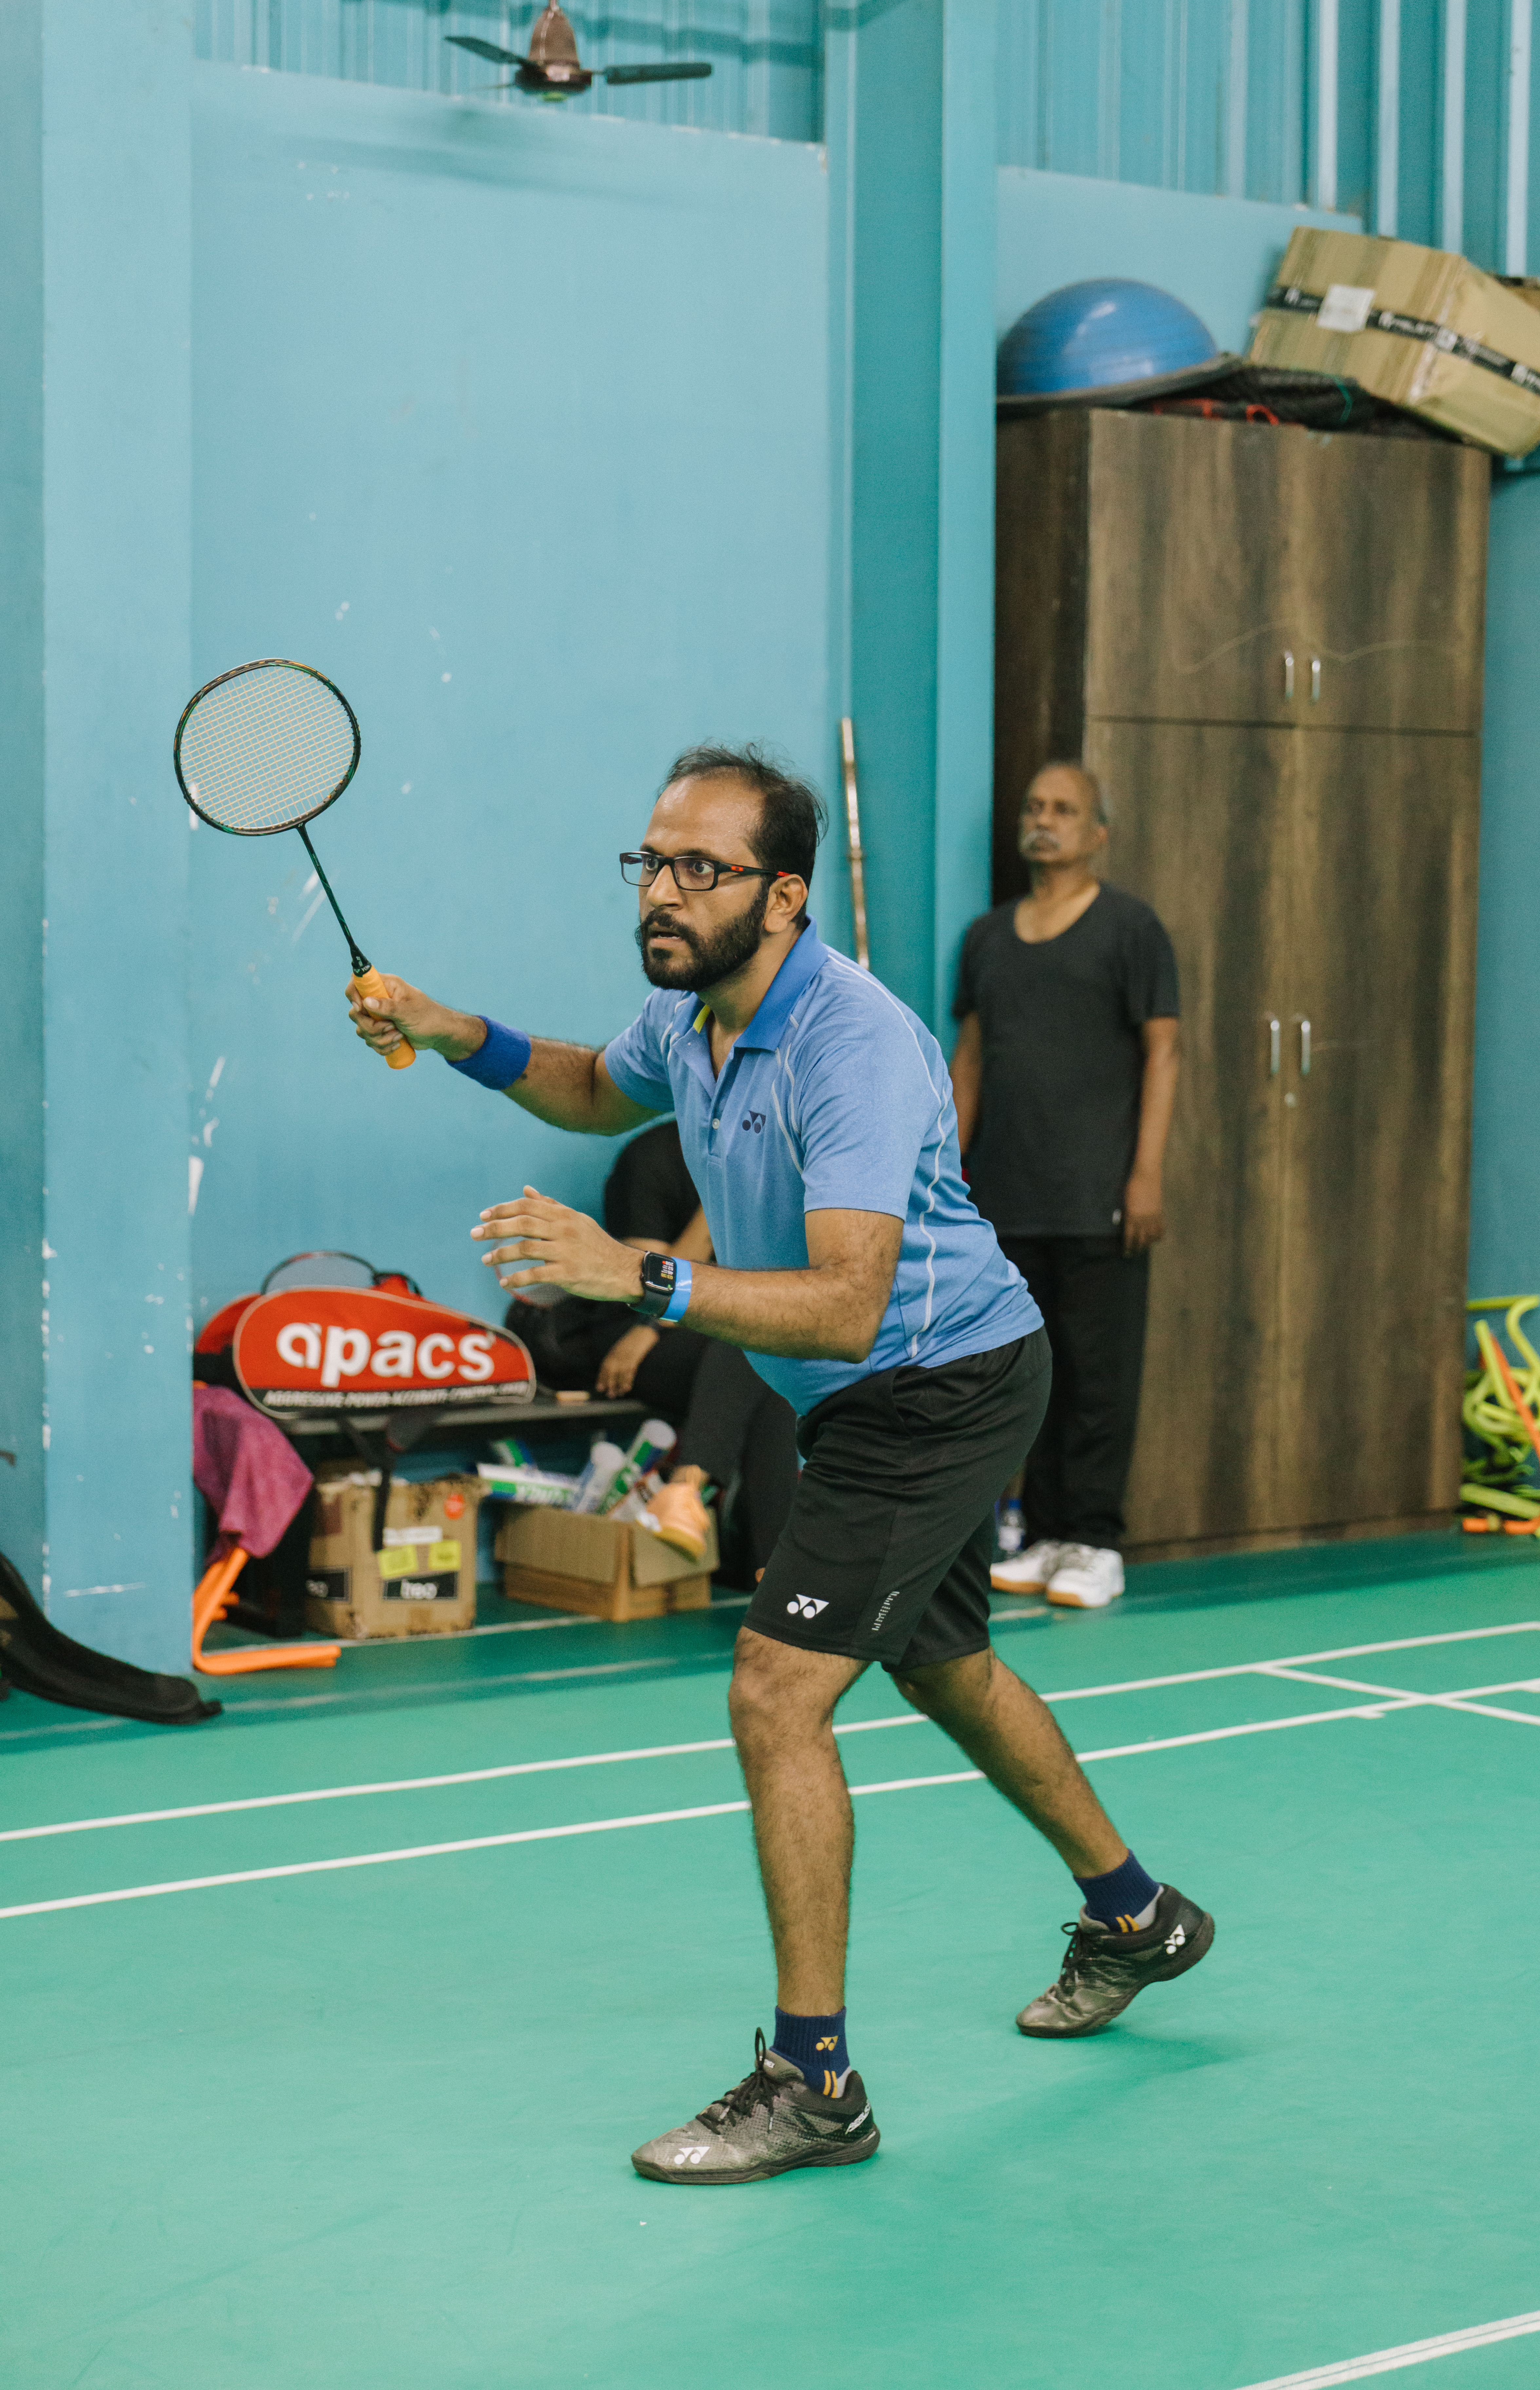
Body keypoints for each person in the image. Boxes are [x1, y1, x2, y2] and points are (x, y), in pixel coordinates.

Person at [347, 742, 1212, 2185]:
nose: (663, 892)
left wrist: (642, 1279)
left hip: (932, 1382)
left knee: (773, 1689)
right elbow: (583, 1087)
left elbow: (848, 1297)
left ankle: (813, 2081)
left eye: (701, 866)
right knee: (941, 1669)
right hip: (864, 1395)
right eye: (650, 861)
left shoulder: (852, 1042)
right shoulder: (690, 1016)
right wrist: (451, 1029)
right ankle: (1134, 1915)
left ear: (785, 892)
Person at [950, 762, 1180, 1610]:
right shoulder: (984, 940)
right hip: (1006, 1200)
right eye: (1032, 806)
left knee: (1096, 1374)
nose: (1042, 821)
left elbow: (1163, 1051)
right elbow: (968, 1063)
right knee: (1029, 1372)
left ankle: (1093, 1541)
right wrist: (941, 1174)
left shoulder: (1130, 930)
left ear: (1096, 834)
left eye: (1062, 810)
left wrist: (1144, 1174)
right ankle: (1044, 1535)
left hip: (1098, 1199)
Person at [507, 1120, 798, 1584]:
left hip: (722, 1338)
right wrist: (716, 1206)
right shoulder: (652, 1159)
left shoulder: (775, 1162)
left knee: (767, 1365)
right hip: (629, 1332)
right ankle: (704, 1506)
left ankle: (766, 1571)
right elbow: (643, 1285)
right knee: (754, 1352)